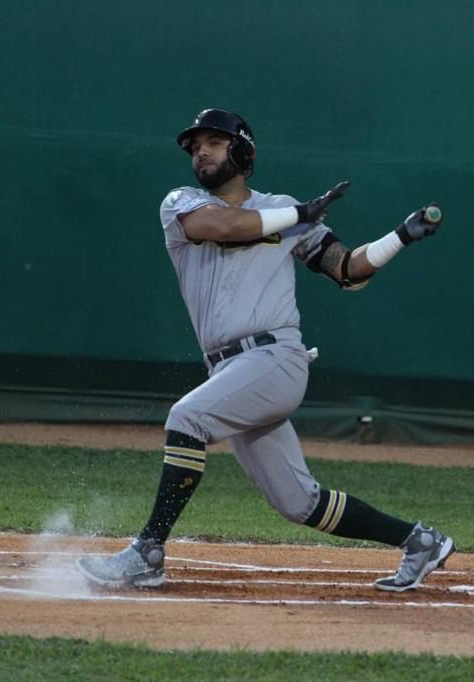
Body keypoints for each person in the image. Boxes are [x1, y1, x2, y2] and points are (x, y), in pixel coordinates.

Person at [76, 108, 453, 592]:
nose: (201, 152)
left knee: (186, 419)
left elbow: (346, 268)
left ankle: (148, 552)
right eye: (195, 146)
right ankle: (420, 541)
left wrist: (398, 238)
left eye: (214, 141)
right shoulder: (182, 203)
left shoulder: (283, 206)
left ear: (242, 150)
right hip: (229, 371)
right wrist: (300, 215)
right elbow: (227, 227)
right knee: (298, 501)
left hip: (275, 358)